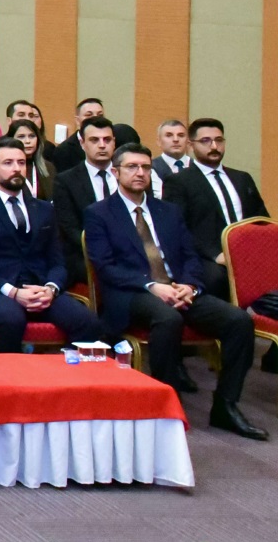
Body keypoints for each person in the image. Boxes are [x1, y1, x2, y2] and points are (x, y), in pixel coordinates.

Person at [82, 143, 265, 439]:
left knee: (239, 321)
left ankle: (226, 405)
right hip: (133, 293)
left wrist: (190, 285)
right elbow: (105, 267)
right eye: (132, 167)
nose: (140, 173)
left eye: (145, 167)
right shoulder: (99, 213)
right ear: (115, 172)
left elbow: (191, 255)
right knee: (168, 318)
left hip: (179, 289)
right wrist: (153, 286)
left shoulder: (168, 211)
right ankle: (167, 401)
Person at [0, 141, 109, 352]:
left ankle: (63, 371)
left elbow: (57, 260)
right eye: (8, 163)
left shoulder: (44, 209)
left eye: (21, 163)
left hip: (40, 288)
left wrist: (51, 289)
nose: (16, 168)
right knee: (12, 320)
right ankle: (8, 374)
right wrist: (13, 292)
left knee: (88, 322)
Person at [166, 117, 268, 298]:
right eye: (205, 141)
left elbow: (261, 219)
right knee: (217, 278)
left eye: (218, 140)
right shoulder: (179, 182)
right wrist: (216, 255)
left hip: (248, 252)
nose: (214, 146)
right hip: (208, 257)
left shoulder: (242, 178)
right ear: (191, 145)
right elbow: (178, 228)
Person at [49, 115, 119, 287]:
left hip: (129, 251)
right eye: (94, 140)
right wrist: (105, 249)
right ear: (82, 143)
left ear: (114, 142)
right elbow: (70, 229)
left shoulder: (128, 174)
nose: (102, 145)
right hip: (85, 254)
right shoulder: (66, 181)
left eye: (107, 140)